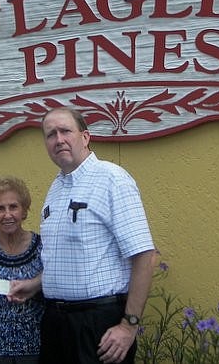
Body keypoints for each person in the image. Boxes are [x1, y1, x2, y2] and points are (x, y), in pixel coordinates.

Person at [38, 107, 155, 364]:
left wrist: (129, 326)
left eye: (66, 131)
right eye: (51, 134)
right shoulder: (55, 188)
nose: (59, 140)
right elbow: (65, 260)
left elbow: (145, 256)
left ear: (85, 137)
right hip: (56, 325)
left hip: (97, 325)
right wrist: (34, 284)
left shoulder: (112, 179)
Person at [0, 176, 44, 364]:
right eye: (0, 208)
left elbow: (56, 279)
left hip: (35, 349)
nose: (7, 214)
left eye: (13, 207)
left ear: (24, 211)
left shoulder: (42, 248)